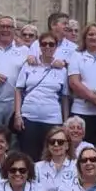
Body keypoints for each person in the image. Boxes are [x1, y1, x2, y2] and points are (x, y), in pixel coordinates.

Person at [14, 31, 70, 161]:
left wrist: (65, 122)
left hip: (52, 119)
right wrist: (18, 115)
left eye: (51, 44)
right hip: (29, 117)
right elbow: (18, 90)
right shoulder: (29, 65)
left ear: (56, 47)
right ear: (39, 46)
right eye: (44, 44)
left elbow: (65, 97)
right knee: (29, 156)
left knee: (51, 157)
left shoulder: (62, 69)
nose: (48, 47)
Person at [34, 127, 76, 191]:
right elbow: (33, 190)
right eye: (52, 142)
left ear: (67, 145)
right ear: (48, 145)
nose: (56, 144)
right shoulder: (37, 167)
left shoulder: (77, 166)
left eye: (60, 142)